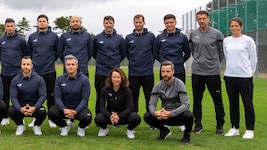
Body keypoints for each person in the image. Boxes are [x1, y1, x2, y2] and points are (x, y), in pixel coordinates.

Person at [189, 10, 225, 134]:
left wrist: (213, 63)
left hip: (212, 72)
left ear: (208, 19)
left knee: (217, 99)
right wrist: (199, 61)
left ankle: (220, 124)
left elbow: (221, 52)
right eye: (199, 19)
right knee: (197, 99)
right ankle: (198, 124)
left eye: (204, 18)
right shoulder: (193, 34)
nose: (202, 21)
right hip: (197, 72)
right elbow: (192, 50)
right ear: (197, 20)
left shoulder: (217, 34)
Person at [223, 17, 257, 139]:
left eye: (236, 26)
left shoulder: (248, 40)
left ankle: (249, 129)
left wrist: (251, 71)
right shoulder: (226, 41)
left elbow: (253, 58)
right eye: (232, 26)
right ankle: (234, 127)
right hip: (230, 76)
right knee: (233, 103)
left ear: (241, 27)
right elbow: (227, 55)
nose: (234, 28)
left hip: (245, 77)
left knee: (247, 104)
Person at [143, 61, 193, 143]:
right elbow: (151, 104)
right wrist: (155, 113)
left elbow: (186, 104)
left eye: (168, 71)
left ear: (173, 72)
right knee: (147, 116)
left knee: (189, 115)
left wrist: (171, 113)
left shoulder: (179, 84)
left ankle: (186, 135)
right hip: (164, 115)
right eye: (163, 71)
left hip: (177, 115)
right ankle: (164, 130)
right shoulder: (158, 86)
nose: (165, 74)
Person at [48, 55, 92, 137]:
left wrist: (76, 111)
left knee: (87, 117)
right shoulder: (59, 79)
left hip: (78, 109)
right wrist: (64, 109)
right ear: (65, 66)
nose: (70, 66)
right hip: (64, 109)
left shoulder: (84, 80)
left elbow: (84, 99)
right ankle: (63, 126)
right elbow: (57, 97)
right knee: (51, 112)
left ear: (77, 66)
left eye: (73, 64)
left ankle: (81, 128)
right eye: (68, 64)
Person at [27, 14, 58, 128]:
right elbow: (29, 52)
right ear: (37, 23)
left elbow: (57, 52)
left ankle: (52, 118)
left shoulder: (54, 36)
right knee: (35, 96)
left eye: (44, 21)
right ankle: (35, 118)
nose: (42, 23)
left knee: (51, 96)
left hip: (49, 71)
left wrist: (49, 61)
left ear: (48, 23)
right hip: (35, 72)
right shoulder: (32, 37)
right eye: (40, 21)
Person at [93, 16, 127, 115]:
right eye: (106, 23)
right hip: (100, 71)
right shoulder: (97, 38)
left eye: (110, 23)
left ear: (113, 24)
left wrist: (115, 62)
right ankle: (99, 119)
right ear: (104, 24)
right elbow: (94, 53)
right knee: (100, 95)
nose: (108, 25)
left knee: (116, 97)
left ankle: (115, 119)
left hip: (114, 73)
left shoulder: (120, 39)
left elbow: (123, 53)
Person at [95, 68, 141, 139]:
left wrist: (119, 116)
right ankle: (104, 129)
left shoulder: (127, 90)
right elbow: (101, 107)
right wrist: (110, 115)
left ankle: (130, 130)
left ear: (122, 78)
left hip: (123, 116)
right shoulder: (105, 89)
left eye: (118, 77)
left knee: (135, 117)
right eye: (114, 77)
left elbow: (130, 107)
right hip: (110, 116)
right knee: (98, 118)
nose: (116, 79)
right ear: (111, 78)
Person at [8, 56, 47, 135]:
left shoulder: (39, 79)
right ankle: (20, 125)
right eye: (24, 64)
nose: (26, 66)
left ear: (32, 66)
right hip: (21, 106)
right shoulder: (15, 80)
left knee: (43, 112)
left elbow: (43, 95)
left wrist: (35, 107)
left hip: (35, 106)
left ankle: (37, 125)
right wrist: (20, 108)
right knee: (10, 110)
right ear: (21, 65)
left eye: (28, 64)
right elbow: (13, 97)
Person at [0, 18, 28, 126]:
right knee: (5, 95)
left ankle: (21, 116)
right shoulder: (1, 40)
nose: (10, 28)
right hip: (5, 72)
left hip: (18, 73)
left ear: (15, 27)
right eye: (8, 26)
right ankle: (5, 116)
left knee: (19, 95)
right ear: (5, 27)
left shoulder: (21, 40)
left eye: (12, 26)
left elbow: (26, 54)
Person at [125, 14, 155, 113]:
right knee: (133, 98)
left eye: (140, 22)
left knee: (149, 98)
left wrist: (149, 63)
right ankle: (133, 119)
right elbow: (127, 54)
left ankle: (151, 120)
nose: (138, 24)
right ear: (133, 23)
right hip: (133, 73)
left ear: (144, 23)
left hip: (147, 73)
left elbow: (154, 52)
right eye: (136, 22)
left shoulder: (151, 36)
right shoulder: (129, 37)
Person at [154, 14, 190, 83]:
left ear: (175, 23)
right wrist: (163, 62)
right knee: (164, 92)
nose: (169, 25)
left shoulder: (182, 37)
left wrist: (179, 61)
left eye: (171, 22)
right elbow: (155, 53)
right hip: (164, 71)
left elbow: (187, 53)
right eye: (167, 23)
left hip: (179, 70)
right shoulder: (159, 37)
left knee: (179, 92)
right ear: (164, 23)